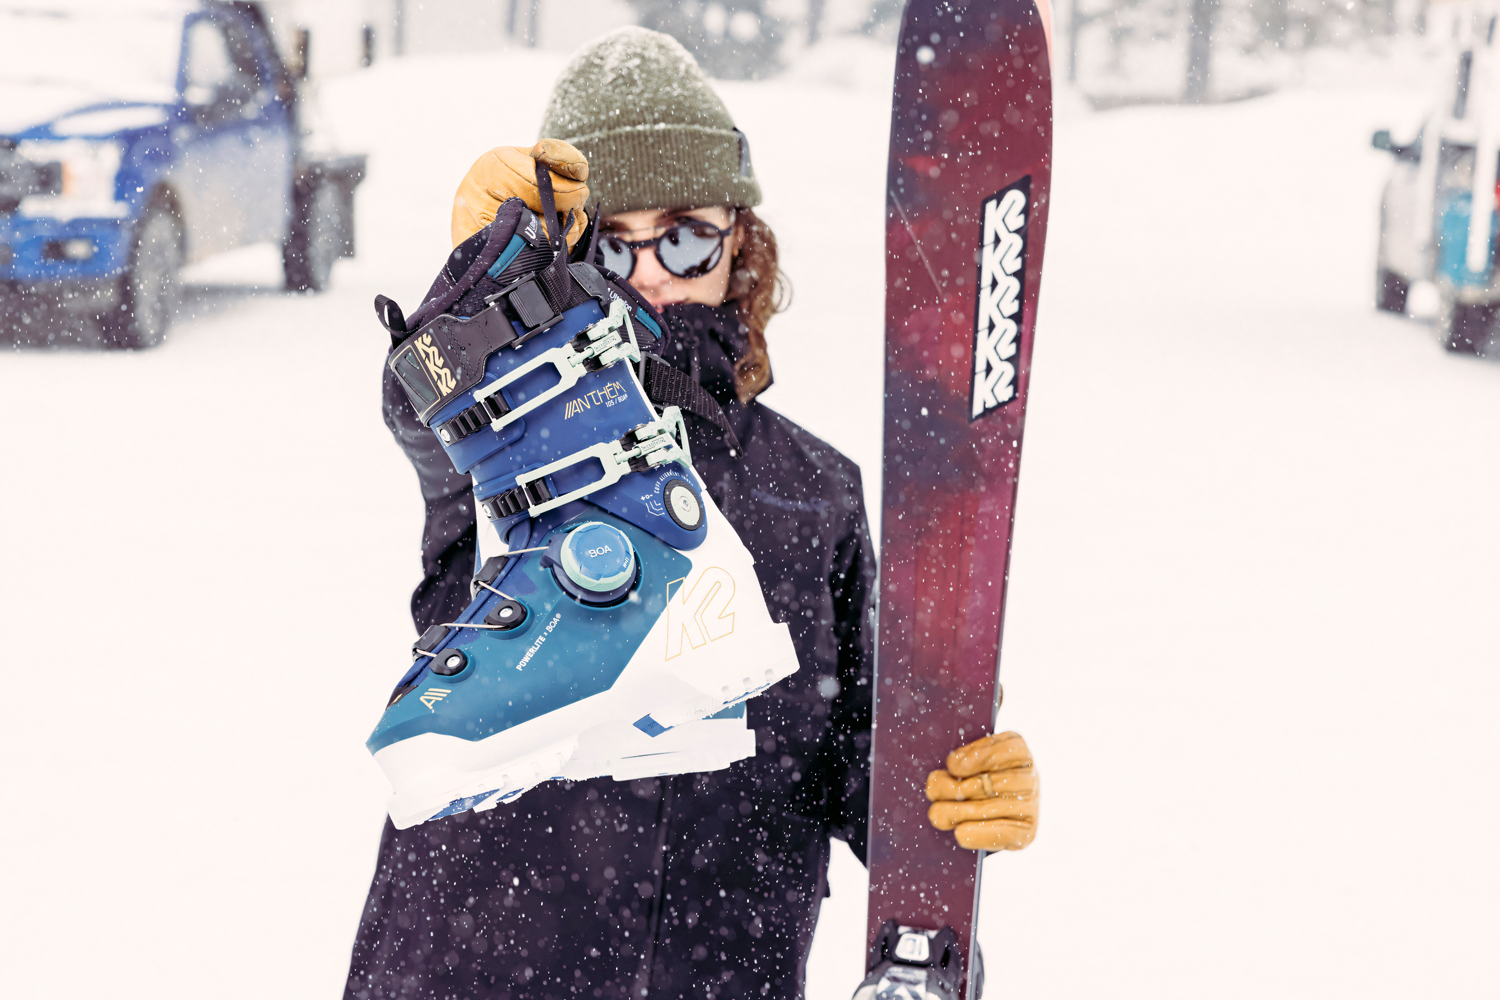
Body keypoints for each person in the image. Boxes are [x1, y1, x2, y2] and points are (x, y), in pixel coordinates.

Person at [345, 28, 1037, 1000]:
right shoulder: (505, 452)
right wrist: (484, 310)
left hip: (721, 970)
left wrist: (949, 776)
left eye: (684, 235)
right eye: (613, 246)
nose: (654, 275)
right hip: (475, 959)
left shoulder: (813, 489)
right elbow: (429, 419)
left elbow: (846, 763)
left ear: (739, 244)